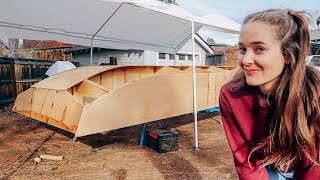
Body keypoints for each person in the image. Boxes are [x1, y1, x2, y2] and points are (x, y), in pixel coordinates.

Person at [219, 9, 320, 179]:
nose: (245, 60)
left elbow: (313, 166)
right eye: (242, 49)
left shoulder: (314, 96)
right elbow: (245, 160)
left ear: (287, 55)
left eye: (259, 49)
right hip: (263, 166)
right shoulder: (231, 95)